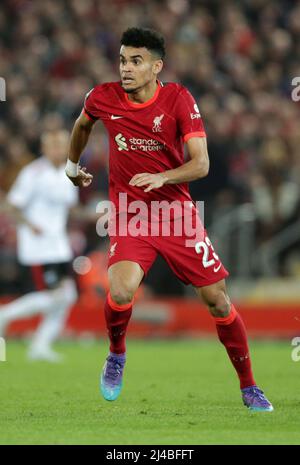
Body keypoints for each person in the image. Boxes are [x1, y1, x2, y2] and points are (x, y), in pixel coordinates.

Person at [65, 28, 273, 411]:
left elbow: (201, 163)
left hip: (176, 214)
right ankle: (116, 354)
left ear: (156, 66)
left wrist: (163, 176)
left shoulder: (178, 99)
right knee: (122, 291)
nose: (126, 69)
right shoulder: (102, 96)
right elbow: (81, 125)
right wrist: (71, 164)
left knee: (218, 302)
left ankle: (249, 386)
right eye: (123, 60)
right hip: (131, 213)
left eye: (136, 61)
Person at [0, 130, 78, 362]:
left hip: (59, 246)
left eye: (62, 145)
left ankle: (40, 346)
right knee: (55, 295)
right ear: (44, 149)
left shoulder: (69, 173)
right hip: (38, 247)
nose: (58, 150)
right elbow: (12, 206)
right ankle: (5, 314)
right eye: (53, 146)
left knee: (69, 295)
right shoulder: (33, 173)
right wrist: (30, 226)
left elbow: (68, 208)